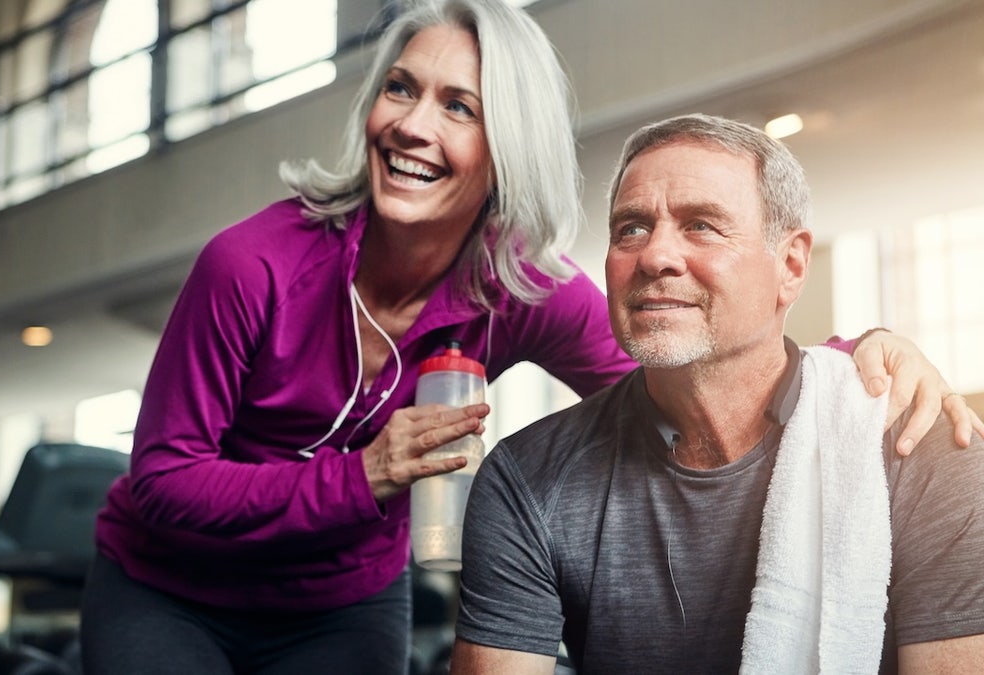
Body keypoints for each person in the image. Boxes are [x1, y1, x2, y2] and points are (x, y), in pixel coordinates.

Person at [78, 0, 983, 671]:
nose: (410, 125)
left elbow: (686, 356)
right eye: (400, 89)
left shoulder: (515, 285)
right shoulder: (251, 264)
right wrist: (362, 476)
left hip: (337, 601)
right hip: (171, 588)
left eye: (458, 107)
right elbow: (159, 482)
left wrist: (862, 356)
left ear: (506, 147)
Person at [451, 113, 984, 674]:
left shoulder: (923, 451)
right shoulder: (527, 478)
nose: (654, 256)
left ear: (792, 266)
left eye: (701, 224)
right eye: (630, 228)